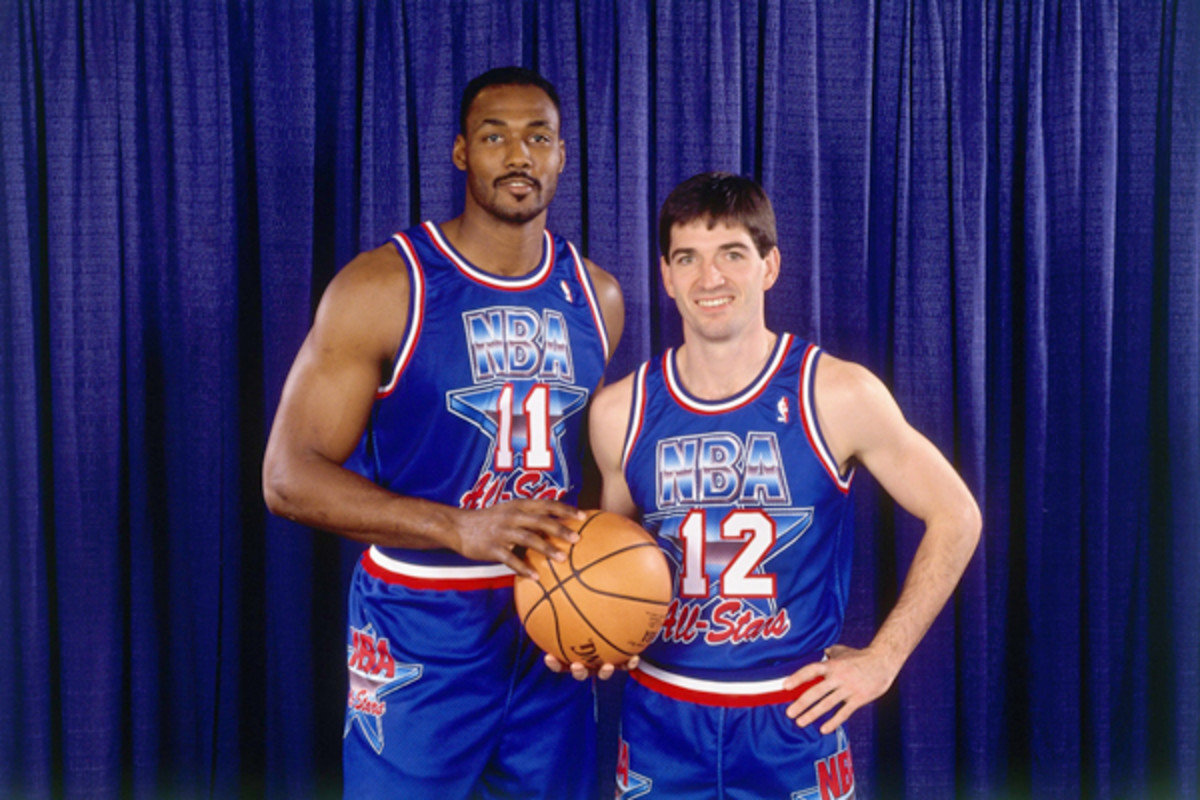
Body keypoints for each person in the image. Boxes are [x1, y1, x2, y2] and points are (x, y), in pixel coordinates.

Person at [262, 66, 624, 799]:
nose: (519, 156)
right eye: (496, 137)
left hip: (549, 613)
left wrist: (617, 592)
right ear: (461, 152)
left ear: (561, 155)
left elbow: (601, 474)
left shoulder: (598, 295)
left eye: (538, 137)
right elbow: (288, 476)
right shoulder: (385, 285)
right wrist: (458, 527)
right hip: (420, 619)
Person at [584, 172, 980, 798]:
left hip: (791, 718)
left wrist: (886, 658)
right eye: (688, 258)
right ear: (665, 275)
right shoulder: (619, 411)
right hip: (662, 714)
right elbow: (606, 562)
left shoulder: (836, 393)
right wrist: (586, 631)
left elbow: (957, 514)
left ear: (770, 266)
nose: (709, 279)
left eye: (732, 255)